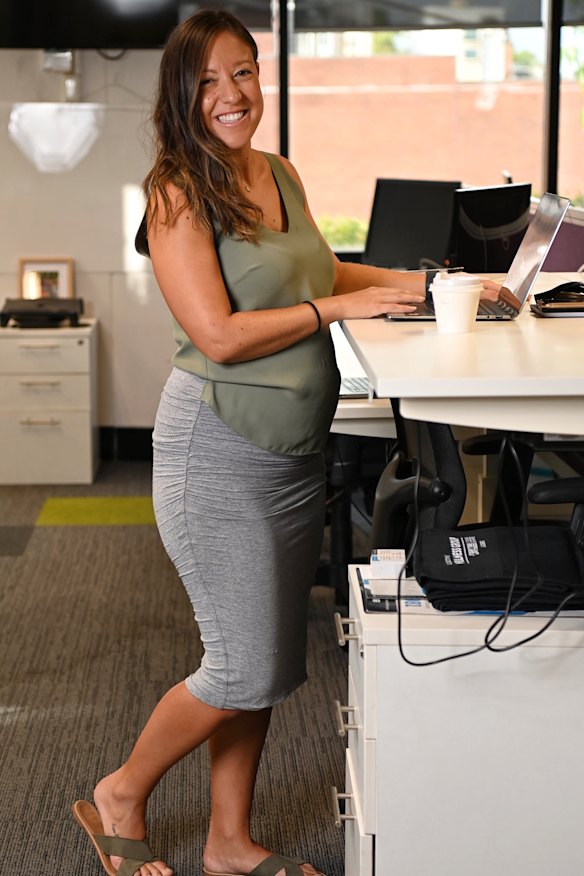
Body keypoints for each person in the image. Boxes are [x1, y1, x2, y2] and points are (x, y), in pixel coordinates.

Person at [71, 10, 499, 876]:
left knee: (266, 658)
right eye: (209, 81)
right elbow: (221, 335)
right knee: (237, 664)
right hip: (218, 450)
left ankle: (229, 844)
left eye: (245, 72)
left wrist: (435, 286)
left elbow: (324, 269)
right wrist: (340, 312)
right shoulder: (176, 192)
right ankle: (120, 791)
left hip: (294, 452)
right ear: (182, 96)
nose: (233, 95)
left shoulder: (275, 171)